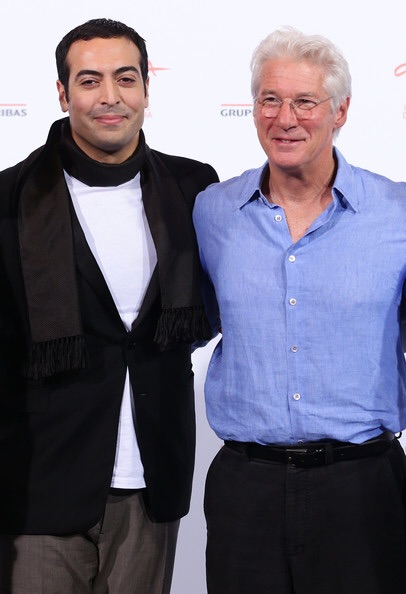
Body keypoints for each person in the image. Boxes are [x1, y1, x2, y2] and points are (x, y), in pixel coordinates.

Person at [0, 18, 218, 594]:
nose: (110, 96)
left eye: (126, 78)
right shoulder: (9, 198)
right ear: (63, 92)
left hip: (153, 481)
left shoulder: (195, 189)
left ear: (147, 88)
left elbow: (214, 307)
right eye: (90, 80)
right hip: (40, 486)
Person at [193, 27, 406, 594]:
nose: (285, 118)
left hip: (362, 487)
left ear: (340, 112)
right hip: (245, 488)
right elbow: (190, 321)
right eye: (270, 99)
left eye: (305, 102)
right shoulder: (213, 212)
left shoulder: (397, 214)